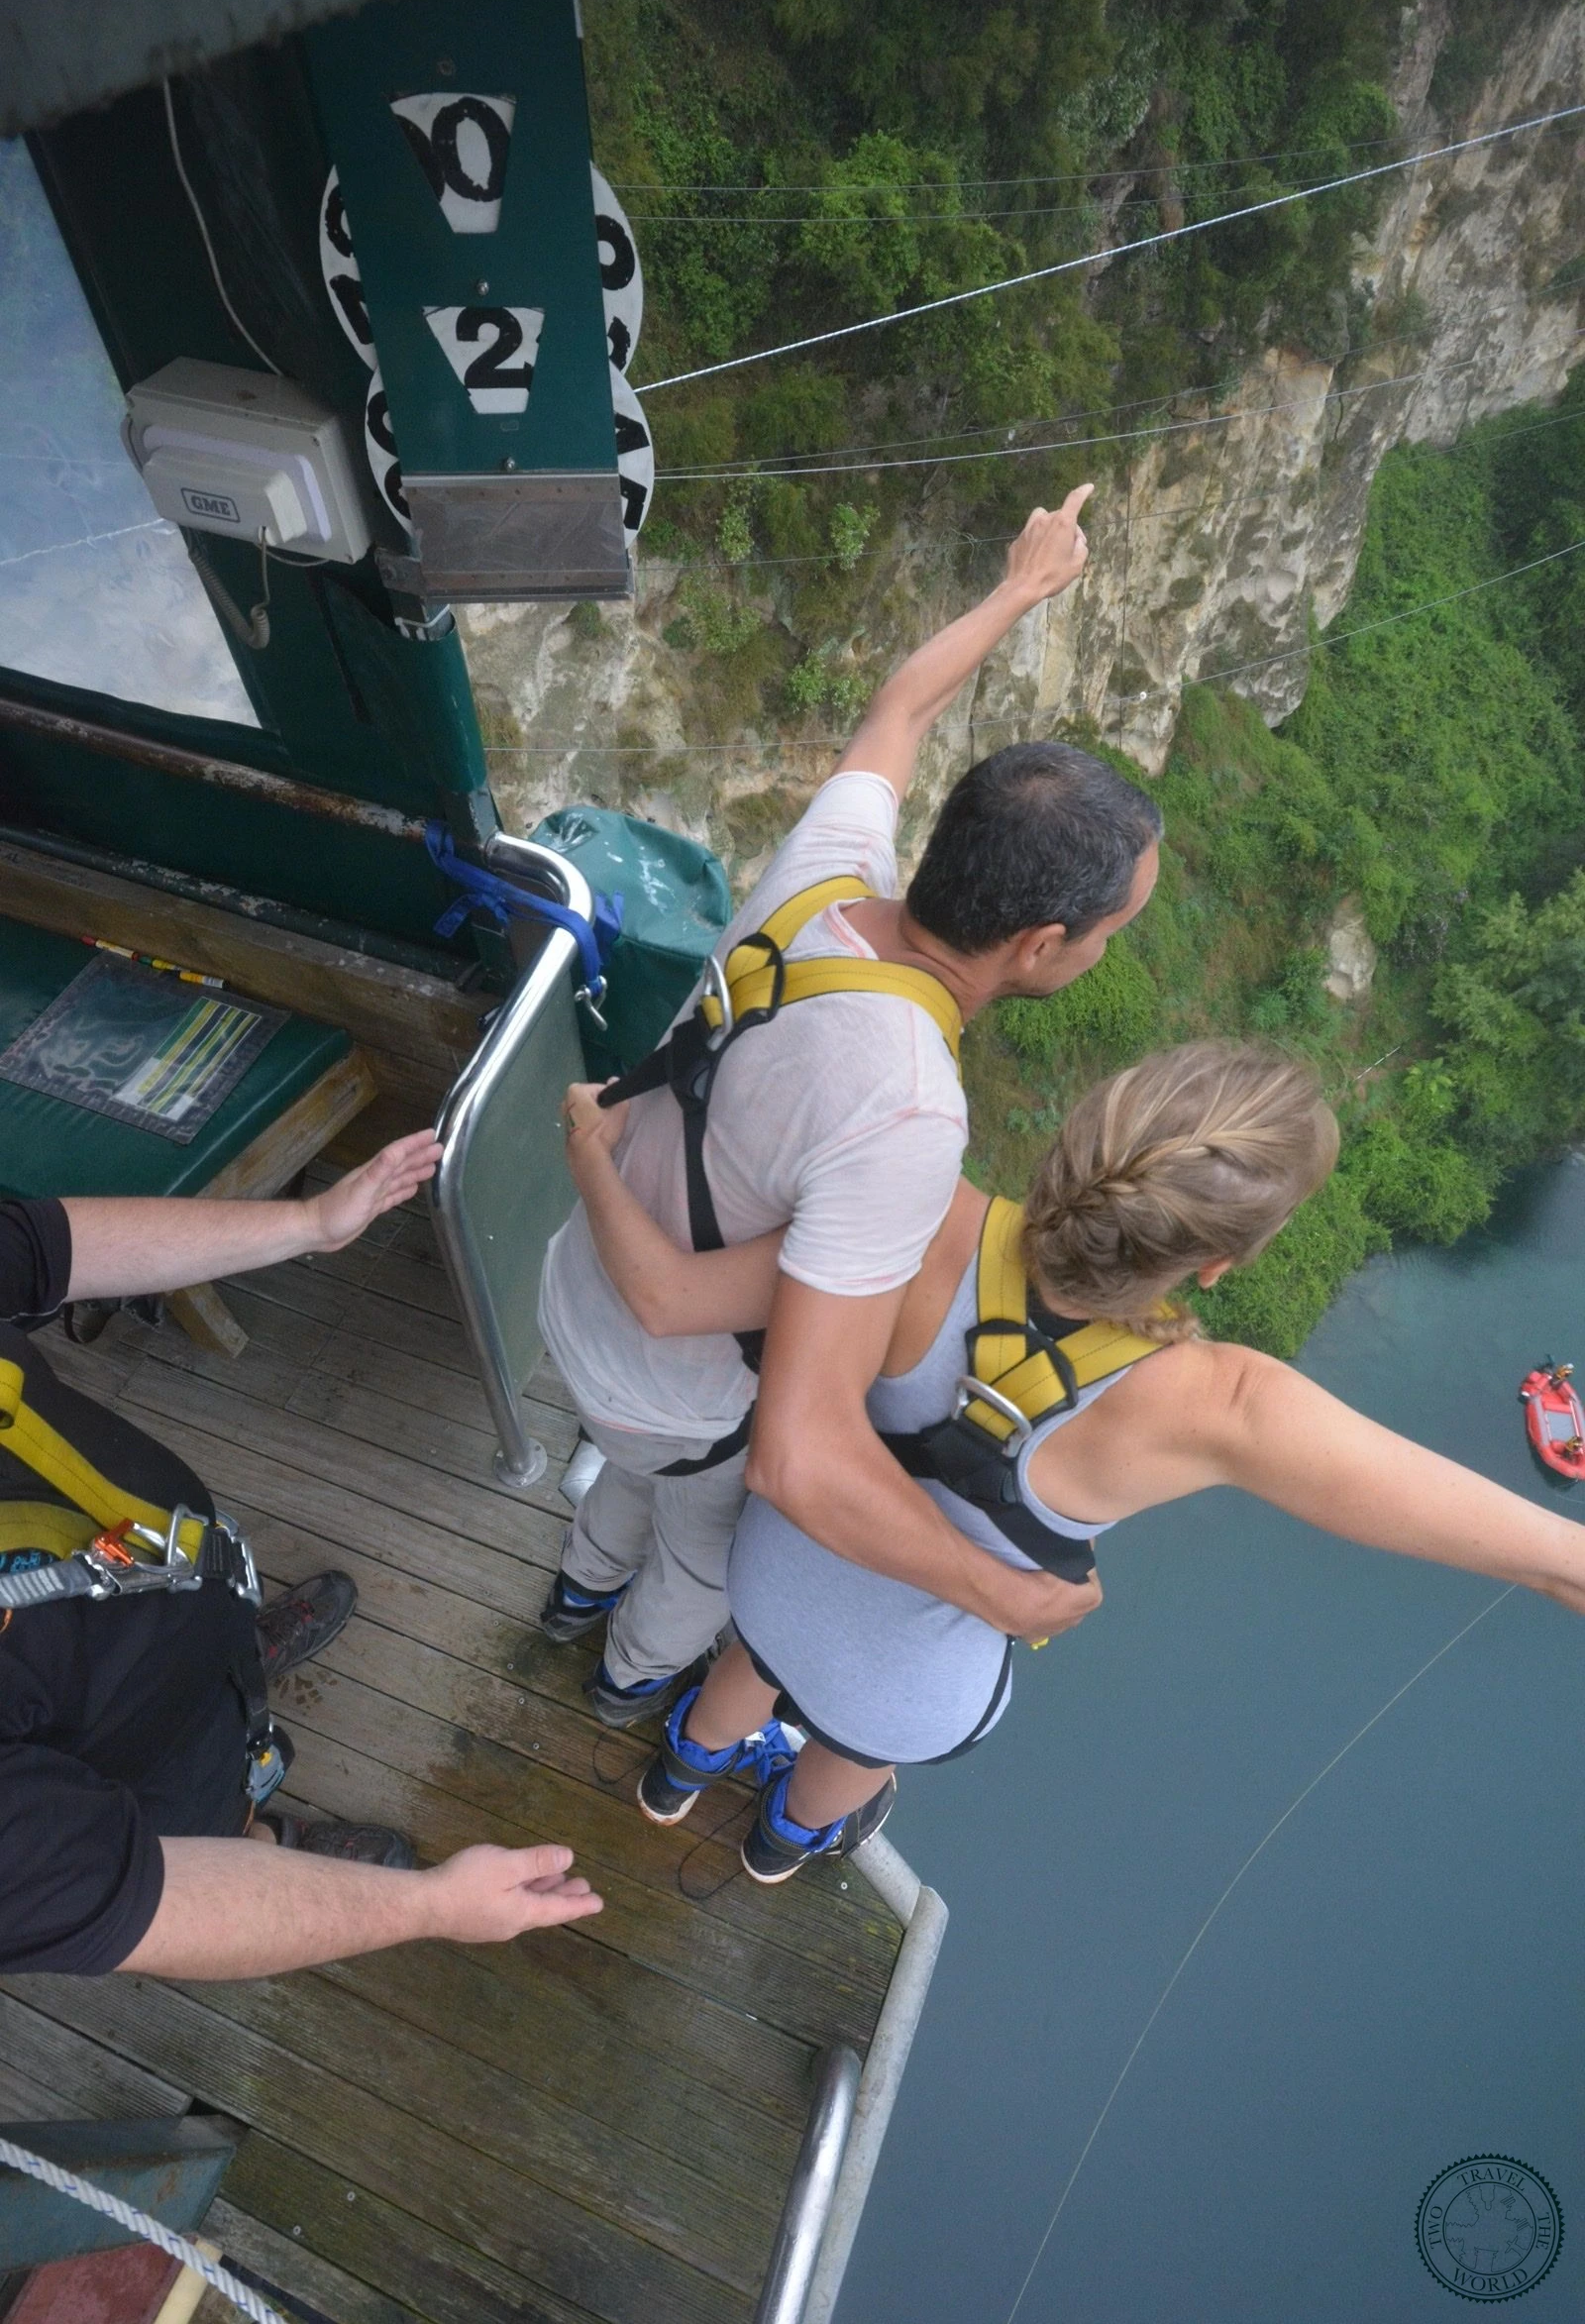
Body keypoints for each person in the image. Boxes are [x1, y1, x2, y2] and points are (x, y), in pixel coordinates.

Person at [565, 1042, 1585, 1882]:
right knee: (858, 1744)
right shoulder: (1220, 1405)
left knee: (762, 1655)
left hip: (776, 1567)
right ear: (1225, 1260)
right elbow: (1550, 1557)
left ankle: (676, 1778)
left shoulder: (917, 1211)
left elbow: (684, 1286)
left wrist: (590, 1149)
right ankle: (779, 1844)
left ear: (1076, 1139)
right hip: (900, 1676)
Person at [539, 486, 1164, 1727]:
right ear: (1039, 945)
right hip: (670, 1383)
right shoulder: (914, 1115)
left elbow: (901, 705)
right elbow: (794, 1446)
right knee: (701, 1556)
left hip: (575, 1301)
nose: (1103, 952)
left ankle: (571, 1589)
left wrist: (1019, 588)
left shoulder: (819, 880)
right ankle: (620, 1682)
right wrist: (1001, 1594)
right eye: (1107, 934)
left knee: (625, 1484)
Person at [0, 1134, 601, 1979]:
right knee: (208, 1823)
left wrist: (309, 1222)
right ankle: (270, 1834)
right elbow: (148, 1901)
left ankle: (239, 1655)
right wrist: (430, 1906)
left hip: (169, 1579)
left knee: (219, 1644)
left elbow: (40, 1250)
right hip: (130, 1760)